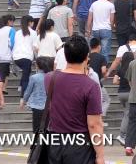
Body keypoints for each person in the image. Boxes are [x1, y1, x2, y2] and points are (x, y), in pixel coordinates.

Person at [38, 35, 105, 163]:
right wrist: (100, 155)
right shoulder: (91, 86)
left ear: (65, 56)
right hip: (80, 146)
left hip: (54, 143)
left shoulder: (50, 78)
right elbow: (94, 124)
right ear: (87, 57)